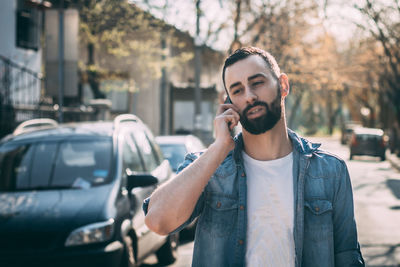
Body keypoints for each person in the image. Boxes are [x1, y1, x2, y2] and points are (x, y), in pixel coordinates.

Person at [143, 46, 365, 267]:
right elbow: (157, 221)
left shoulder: (330, 171)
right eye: (237, 90)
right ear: (228, 102)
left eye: (257, 83)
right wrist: (219, 147)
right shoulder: (211, 168)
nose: (249, 96)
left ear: (283, 85)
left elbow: (347, 256)